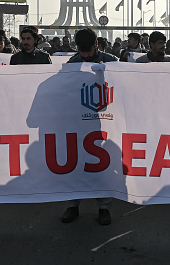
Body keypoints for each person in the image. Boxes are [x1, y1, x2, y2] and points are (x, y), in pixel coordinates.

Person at [62, 28, 116, 225]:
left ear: (97, 45)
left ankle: (104, 207)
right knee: (75, 164)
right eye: (81, 51)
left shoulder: (111, 61)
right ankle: (72, 205)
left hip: (103, 121)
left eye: (88, 51)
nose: (85, 55)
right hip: (78, 121)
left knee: (102, 166)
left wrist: (107, 73)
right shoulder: (72, 63)